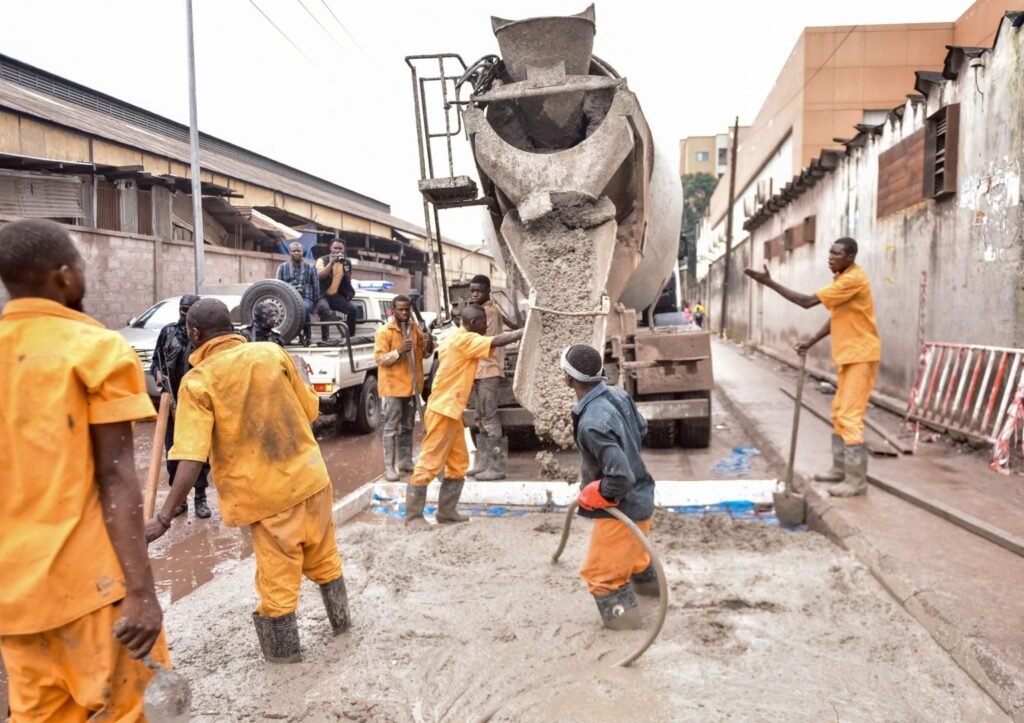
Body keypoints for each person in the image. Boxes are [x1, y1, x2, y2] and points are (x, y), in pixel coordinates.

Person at [0, 219, 170, 718]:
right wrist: (142, 593)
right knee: (132, 711)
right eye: (79, 262)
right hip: (96, 591)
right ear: (64, 277)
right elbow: (116, 476)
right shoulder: (95, 350)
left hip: (15, 601)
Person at [145, 299, 349, 663]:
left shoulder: (199, 381)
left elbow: (191, 456)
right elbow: (311, 410)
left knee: (277, 590)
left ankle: (286, 672)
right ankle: (344, 630)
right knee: (325, 559)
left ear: (194, 333)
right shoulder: (271, 353)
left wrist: (163, 517)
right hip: (313, 479)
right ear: (232, 325)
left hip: (269, 498)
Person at [744, 237, 881, 497]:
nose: (831, 258)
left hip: (861, 355)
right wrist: (811, 341)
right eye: (829, 253)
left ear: (850, 257)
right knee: (839, 412)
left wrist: (769, 282)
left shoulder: (853, 280)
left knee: (850, 417)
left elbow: (807, 302)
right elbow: (837, 317)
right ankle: (840, 470)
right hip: (849, 355)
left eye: (837, 254)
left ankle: (856, 481)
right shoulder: (842, 279)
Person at [561, 343, 658, 630]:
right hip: (642, 497)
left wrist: (598, 491)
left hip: (623, 507)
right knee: (636, 558)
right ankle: (651, 592)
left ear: (568, 379)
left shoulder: (592, 422)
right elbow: (640, 429)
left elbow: (620, 478)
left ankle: (626, 630)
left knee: (601, 577)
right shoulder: (618, 394)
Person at [405, 304, 523, 528]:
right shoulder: (464, 340)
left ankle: (446, 512)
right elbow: (497, 341)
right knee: (430, 462)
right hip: (443, 410)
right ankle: (413, 517)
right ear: (473, 323)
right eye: (483, 323)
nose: (486, 326)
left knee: (458, 463)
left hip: (451, 410)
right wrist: (526, 331)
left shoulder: (455, 337)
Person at [152, 292, 212, 518]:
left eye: (189, 311)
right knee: (173, 451)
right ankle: (179, 500)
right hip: (172, 400)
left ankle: (200, 497)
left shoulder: (203, 337)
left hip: (196, 403)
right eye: (182, 309)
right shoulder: (168, 332)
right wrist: (158, 374)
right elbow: (156, 360)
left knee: (198, 453)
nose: (184, 315)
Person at [374, 294, 434, 481]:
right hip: (393, 389)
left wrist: (428, 343)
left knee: (408, 426)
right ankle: (390, 468)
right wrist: (399, 352)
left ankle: (405, 462)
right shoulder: (384, 332)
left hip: (412, 388)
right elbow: (380, 359)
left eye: (407, 309)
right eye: (400, 309)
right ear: (394, 311)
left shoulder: (414, 329)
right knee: (391, 429)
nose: (404, 312)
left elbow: (425, 355)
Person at [467, 274, 519, 480]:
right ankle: (483, 463)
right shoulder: (483, 310)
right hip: (478, 370)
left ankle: (496, 467)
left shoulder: (489, 312)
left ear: (488, 291)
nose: (475, 294)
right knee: (479, 418)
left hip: (488, 370)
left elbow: (483, 340)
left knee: (489, 418)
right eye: (472, 291)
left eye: (479, 290)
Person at [314, 238, 358, 341]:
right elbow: (319, 276)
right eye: (335, 248)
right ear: (330, 248)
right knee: (326, 310)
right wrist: (331, 263)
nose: (337, 251)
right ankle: (326, 339)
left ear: (344, 250)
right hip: (321, 294)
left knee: (353, 309)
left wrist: (348, 293)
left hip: (335, 295)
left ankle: (349, 337)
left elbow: (347, 279)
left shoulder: (346, 262)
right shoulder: (322, 260)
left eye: (340, 248)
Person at [276, 241, 317, 343]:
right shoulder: (282, 267)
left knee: (304, 308)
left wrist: (315, 304)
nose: (297, 253)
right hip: (287, 299)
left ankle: (308, 337)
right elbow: (277, 286)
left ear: (303, 252)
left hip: (306, 298)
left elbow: (316, 286)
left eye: (299, 251)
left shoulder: (310, 267)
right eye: (294, 251)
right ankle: (286, 337)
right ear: (290, 252)